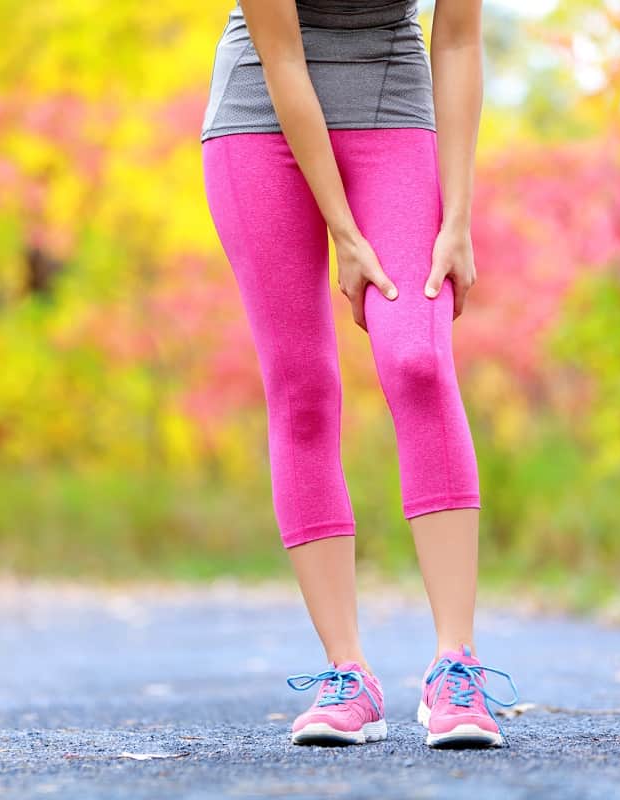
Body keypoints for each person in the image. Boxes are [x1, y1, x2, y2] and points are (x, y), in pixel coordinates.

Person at [200, 0, 518, 748]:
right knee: (303, 389)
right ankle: (347, 673)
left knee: (418, 359)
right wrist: (344, 231)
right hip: (260, 111)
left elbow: (462, 35)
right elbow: (283, 57)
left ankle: (455, 667)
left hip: (391, 100)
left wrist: (458, 218)